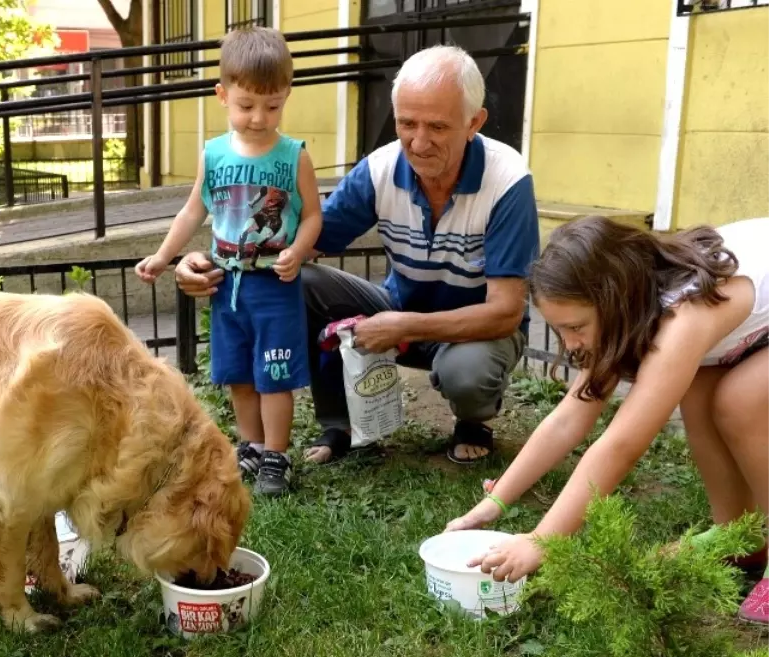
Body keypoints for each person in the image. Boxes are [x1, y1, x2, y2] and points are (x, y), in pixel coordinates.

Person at [173, 44, 540, 466]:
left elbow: (506, 312)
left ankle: (474, 421)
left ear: (474, 122)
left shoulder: (507, 180)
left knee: (467, 371)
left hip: (476, 331)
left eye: (437, 127)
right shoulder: (381, 168)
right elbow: (296, 242)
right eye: (406, 123)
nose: (418, 143)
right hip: (396, 307)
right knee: (301, 282)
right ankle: (339, 424)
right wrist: (207, 261)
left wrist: (403, 326)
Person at [445, 215, 769, 626]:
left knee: (742, 399)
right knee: (699, 386)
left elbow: (621, 445)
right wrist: (493, 504)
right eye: (559, 330)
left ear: (615, 299)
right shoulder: (631, 309)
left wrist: (545, 540)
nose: (570, 344)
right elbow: (567, 420)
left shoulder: (685, 320)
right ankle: (740, 533)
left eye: (575, 327)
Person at [135, 26, 322, 498]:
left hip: (274, 287)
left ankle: (277, 455)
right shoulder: (213, 154)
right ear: (222, 95)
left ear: (286, 96)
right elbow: (193, 210)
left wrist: (297, 251)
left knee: (274, 375)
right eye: (246, 105)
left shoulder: (294, 156)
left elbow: (313, 215)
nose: (260, 117)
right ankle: (252, 446)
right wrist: (162, 256)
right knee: (238, 374)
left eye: (273, 105)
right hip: (227, 286)